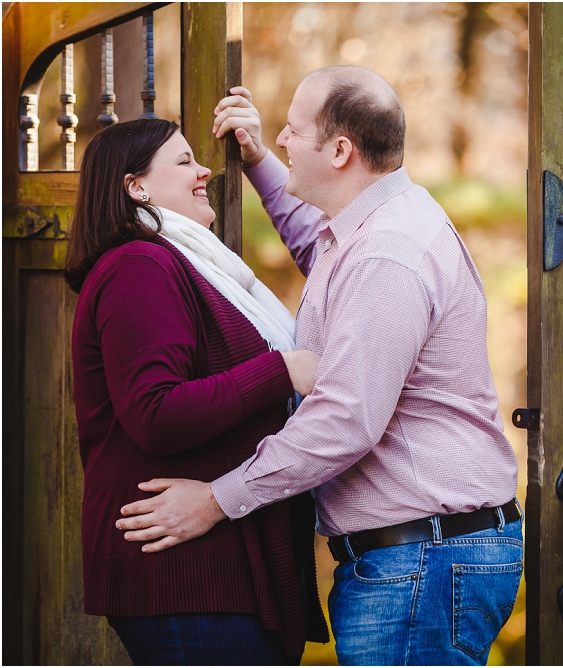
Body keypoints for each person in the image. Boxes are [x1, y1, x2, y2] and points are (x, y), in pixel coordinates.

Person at [116, 66, 522, 665]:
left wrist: (217, 499)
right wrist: (256, 161)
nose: (278, 138)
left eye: (292, 131)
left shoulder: (388, 253)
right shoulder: (374, 225)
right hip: (422, 555)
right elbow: (317, 244)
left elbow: (346, 419)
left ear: (339, 150)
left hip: (423, 563)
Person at [66, 118, 329, 665]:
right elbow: (154, 412)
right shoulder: (138, 265)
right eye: (184, 161)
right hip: (187, 578)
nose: (205, 168)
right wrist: (279, 371)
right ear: (135, 186)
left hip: (217, 572)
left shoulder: (191, 266)